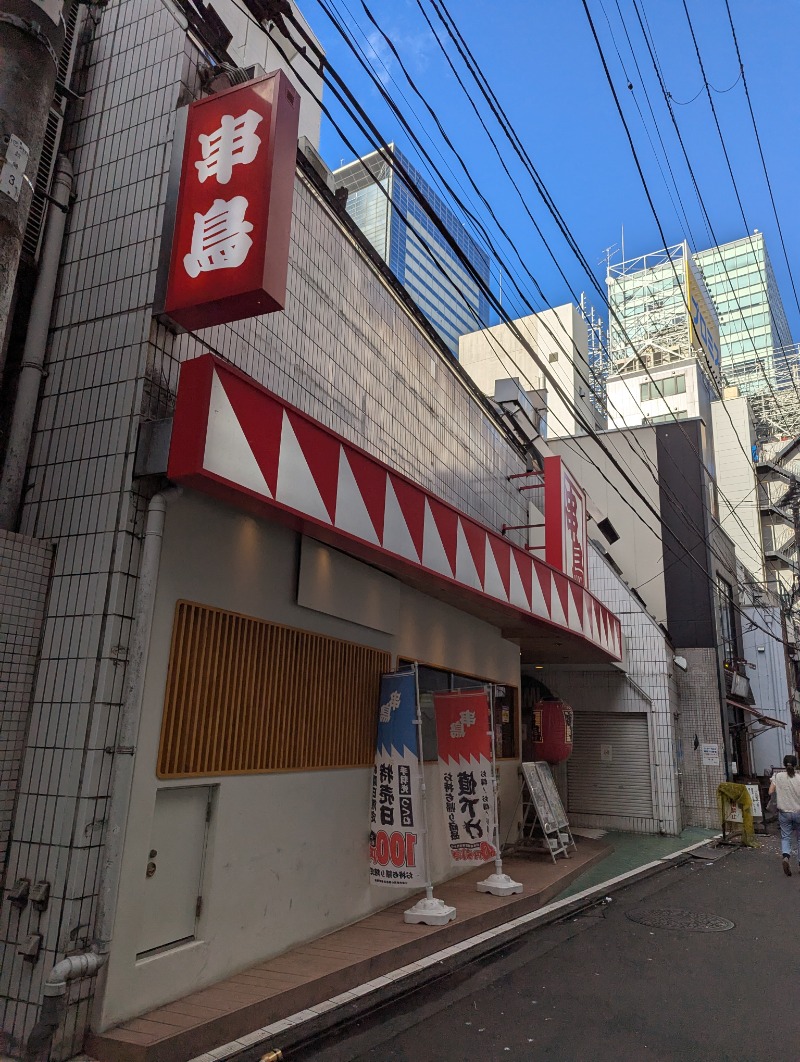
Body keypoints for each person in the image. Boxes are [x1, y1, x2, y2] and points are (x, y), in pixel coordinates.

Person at [769, 754, 800, 875]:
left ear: (784, 764)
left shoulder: (778, 776)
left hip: (784, 813)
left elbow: (770, 791)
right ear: (796, 764)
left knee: (786, 837)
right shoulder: (799, 777)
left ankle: (786, 856)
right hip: (798, 812)